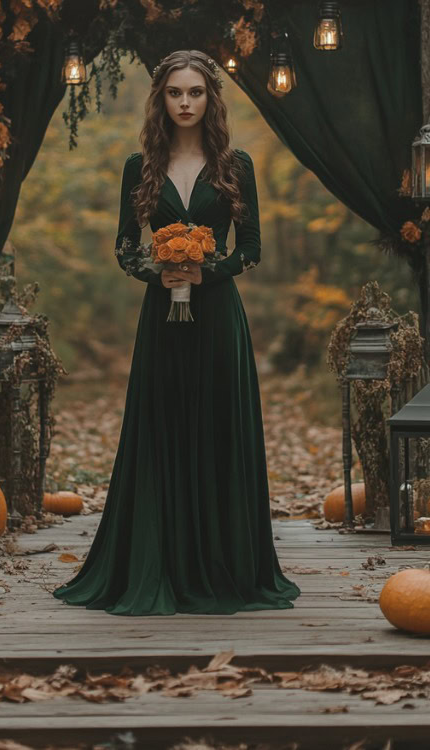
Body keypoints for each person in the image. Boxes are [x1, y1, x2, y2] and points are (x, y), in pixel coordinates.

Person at [52, 49, 301, 616]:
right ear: (160, 100)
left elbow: (252, 250)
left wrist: (206, 270)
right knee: (163, 428)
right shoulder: (138, 166)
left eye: (195, 93)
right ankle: (156, 562)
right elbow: (123, 246)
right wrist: (155, 270)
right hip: (160, 321)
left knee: (216, 429)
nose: (185, 102)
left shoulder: (235, 165)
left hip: (219, 322)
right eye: (174, 93)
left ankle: (222, 567)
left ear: (211, 98)